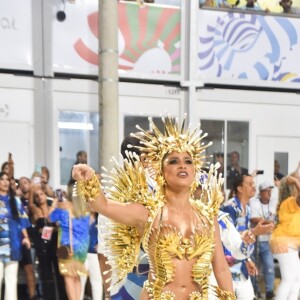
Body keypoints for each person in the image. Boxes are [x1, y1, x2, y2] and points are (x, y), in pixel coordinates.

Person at [73, 116, 235, 299]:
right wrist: (89, 179)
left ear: (195, 169)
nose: (182, 165)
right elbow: (103, 205)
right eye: (173, 161)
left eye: (188, 161)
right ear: (160, 171)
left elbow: (221, 268)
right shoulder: (149, 212)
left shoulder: (207, 215)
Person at [221, 174, 274, 300]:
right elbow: (227, 239)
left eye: (254, 183)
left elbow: (243, 238)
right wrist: (255, 231)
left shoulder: (248, 210)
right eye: (250, 184)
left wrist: (247, 260)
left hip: (241, 268)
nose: (254, 186)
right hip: (228, 268)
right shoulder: (230, 207)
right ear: (239, 188)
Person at [49, 188, 90, 300]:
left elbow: (50, 217)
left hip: (67, 248)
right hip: (82, 249)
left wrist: (54, 203)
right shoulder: (85, 211)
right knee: (76, 277)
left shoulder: (64, 210)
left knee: (68, 278)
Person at [29, 185, 67, 300]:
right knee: (46, 275)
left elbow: (57, 223)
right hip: (42, 246)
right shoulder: (36, 209)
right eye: (36, 196)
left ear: (45, 195)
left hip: (55, 244)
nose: (39, 197)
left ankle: (63, 297)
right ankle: (48, 297)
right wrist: (32, 189)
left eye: (41, 194)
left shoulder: (53, 206)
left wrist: (52, 229)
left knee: (60, 273)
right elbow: (46, 217)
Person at [0, 171, 31, 300]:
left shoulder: (16, 201)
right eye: (3, 179)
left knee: (11, 281)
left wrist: (26, 237)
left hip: (13, 246)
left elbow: (22, 222)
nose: (6, 182)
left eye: (8, 179)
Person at [270, 170, 300, 300]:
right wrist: (295, 180)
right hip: (284, 243)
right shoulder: (291, 201)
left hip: (286, 244)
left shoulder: (287, 202)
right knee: (289, 279)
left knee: (296, 278)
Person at [250, 181, 277, 300]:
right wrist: (269, 222)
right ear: (261, 192)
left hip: (267, 240)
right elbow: (254, 218)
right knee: (254, 268)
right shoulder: (254, 202)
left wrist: (269, 222)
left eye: (270, 190)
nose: (269, 192)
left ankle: (269, 292)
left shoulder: (273, 202)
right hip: (255, 240)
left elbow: (276, 218)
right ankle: (255, 291)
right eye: (267, 190)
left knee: (269, 267)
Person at [18, 176, 38, 300]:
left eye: (26, 182)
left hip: (34, 237)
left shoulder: (35, 200)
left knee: (30, 267)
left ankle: (33, 296)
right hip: (20, 236)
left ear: (30, 184)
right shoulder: (16, 200)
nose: (23, 185)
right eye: (21, 184)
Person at [80, 212, 103, 300]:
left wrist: (100, 244)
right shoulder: (80, 217)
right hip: (81, 254)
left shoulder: (100, 218)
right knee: (81, 281)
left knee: (97, 281)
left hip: (95, 254)